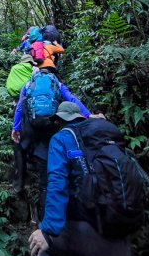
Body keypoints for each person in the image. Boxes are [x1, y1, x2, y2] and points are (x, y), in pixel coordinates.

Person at [29, 102, 133, 256]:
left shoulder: (61, 138)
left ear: (60, 120)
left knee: (39, 246)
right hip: (118, 238)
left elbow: (57, 183)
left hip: (84, 234)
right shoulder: (108, 137)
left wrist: (47, 231)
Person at [11, 81, 91, 215]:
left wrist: (15, 127)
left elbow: (20, 106)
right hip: (50, 127)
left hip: (31, 128)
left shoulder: (28, 85)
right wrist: (88, 115)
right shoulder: (57, 84)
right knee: (47, 168)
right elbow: (72, 98)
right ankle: (47, 202)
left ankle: (20, 185)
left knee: (20, 147)